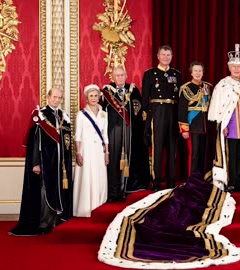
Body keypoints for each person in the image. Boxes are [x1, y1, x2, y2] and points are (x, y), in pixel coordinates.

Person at [9, 88, 73, 235]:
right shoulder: (40, 115)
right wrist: (36, 163)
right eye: (54, 97)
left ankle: (55, 220)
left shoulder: (63, 116)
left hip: (59, 164)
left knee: (58, 191)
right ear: (48, 97)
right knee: (45, 192)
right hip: (45, 162)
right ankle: (43, 223)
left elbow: (66, 141)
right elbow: (35, 141)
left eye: (59, 98)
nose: (57, 100)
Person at [208, 43, 240, 192]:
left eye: (239, 66)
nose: (236, 69)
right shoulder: (223, 84)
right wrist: (222, 125)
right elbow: (218, 107)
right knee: (231, 155)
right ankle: (231, 182)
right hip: (231, 125)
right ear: (229, 67)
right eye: (234, 66)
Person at [102, 66, 147, 201]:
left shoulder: (133, 91)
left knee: (130, 158)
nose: (120, 78)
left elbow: (138, 112)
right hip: (114, 131)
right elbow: (102, 114)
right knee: (115, 160)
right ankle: (114, 192)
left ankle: (128, 188)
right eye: (117, 75)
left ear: (126, 75)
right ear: (113, 77)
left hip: (130, 132)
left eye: (122, 75)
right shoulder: (107, 91)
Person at [142, 45, 182, 190]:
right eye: (163, 54)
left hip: (172, 111)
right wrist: (147, 117)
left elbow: (179, 97)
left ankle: (171, 181)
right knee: (157, 147)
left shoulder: (176, 74)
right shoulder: (150, 74)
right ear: (158, 56)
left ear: (171, 57)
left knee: (172, 148)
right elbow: (145, 98)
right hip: (157, 111)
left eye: (168, 55)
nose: (166, 57)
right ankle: (157, 181)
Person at [73, 84, 109, 217]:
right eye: (91, 96)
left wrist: (107, 152)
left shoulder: (104, 114)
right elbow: (78, 135)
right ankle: (85, 209)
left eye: (96, 95)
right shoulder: (81, 115)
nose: (94, 98)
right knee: (87, 177)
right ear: (86, 98)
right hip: (86, 150)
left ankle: (99, 207)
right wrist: (78, 152)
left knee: (99, 176)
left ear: (99, 97)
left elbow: (105, 135)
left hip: (99, 151)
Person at [178, 61, 212, 174]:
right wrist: (184, 129)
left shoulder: (207, 86)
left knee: (204, 154)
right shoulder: (186, 88)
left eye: (200, 71)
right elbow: (182, 110)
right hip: (193, 125)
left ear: (203, 73)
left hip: (205, 125)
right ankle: (192, 179)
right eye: (195, 71)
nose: (198, 73)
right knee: (194, 154)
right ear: (191, 73)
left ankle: (202, 177)